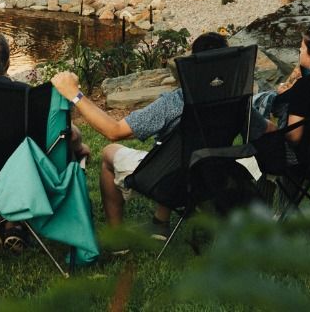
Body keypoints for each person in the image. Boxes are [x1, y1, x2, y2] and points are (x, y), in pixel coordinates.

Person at [51, 32, 228, 234]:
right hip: (217, 177)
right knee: (177, 148)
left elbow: (113, 131)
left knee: (110, 151)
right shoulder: (239, 101)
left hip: (173, 181)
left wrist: (74, 94)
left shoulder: (176, 101)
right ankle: (160, 222)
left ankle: (116, 236)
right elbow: (268, 129)